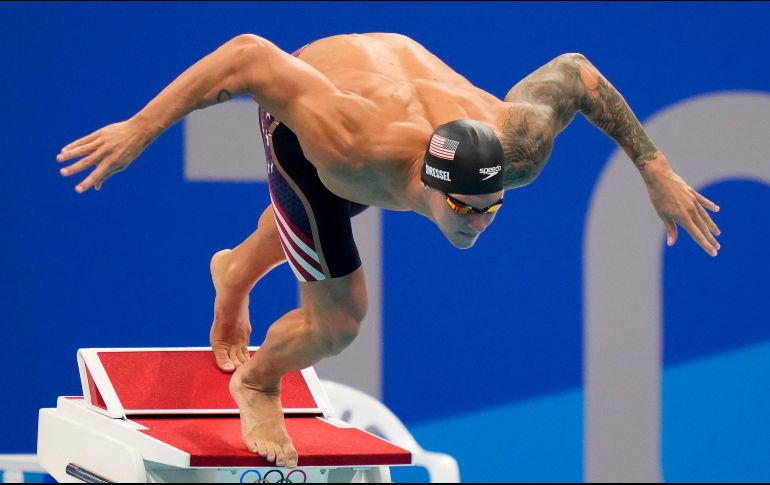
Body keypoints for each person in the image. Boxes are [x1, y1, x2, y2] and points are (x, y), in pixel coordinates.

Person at [56, 33, 721, 469]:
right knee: (339, 317)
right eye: (464, 208)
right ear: (429, 186)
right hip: (318, 111)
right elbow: (249, 58)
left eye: (492, 208)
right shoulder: (352, 139)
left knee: (328, 216)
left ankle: (233, 271)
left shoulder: (519, 147)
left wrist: (654, 166)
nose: (479, 224)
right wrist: (141, 130)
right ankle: (257, 381)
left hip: (391, 100)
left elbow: (574, 72)